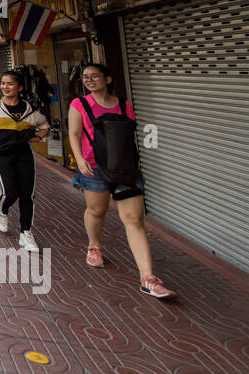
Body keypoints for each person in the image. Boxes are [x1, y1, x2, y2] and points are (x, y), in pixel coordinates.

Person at [68, 62, 176, 299]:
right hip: (94, 168)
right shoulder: (80, 104)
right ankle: (94, 245)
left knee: (134, 219)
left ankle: (148, 278)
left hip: (126, 169)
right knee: (97, 211)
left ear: (108, 79)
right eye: (85, 77)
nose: (89, 80)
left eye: (95, 76)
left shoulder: (124, 105)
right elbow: (74, 134)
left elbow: (130, 137)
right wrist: (79, 160)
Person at [0, 71, 50, 251]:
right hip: (1, 153)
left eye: (10, 84)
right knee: (10, 192)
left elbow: (44, 125)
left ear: (19, 87)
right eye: (3, 83)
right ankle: (1, 210)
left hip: (24, 153)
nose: (5, 87)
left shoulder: (29, 109)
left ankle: (26, 233)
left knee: (28, 194)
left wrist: (38, 137)